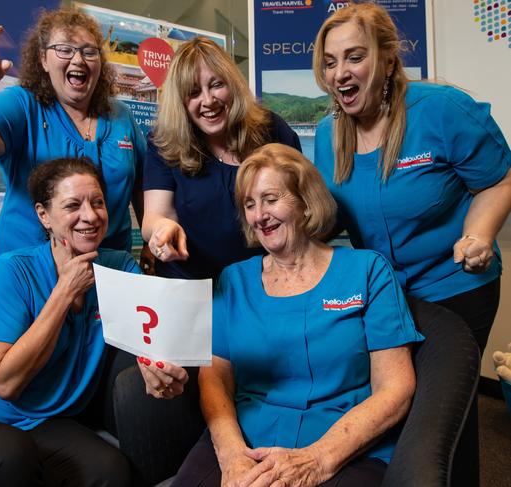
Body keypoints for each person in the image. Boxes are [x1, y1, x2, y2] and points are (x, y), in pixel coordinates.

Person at [0, 157, 187, 487]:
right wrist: (64, 292)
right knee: (8, 457)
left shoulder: (119, 266)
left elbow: (147, 335)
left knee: (110, 472)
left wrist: (154, 367)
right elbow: (5, 384)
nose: (90, 216)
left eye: (98, 203)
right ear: (43, 215)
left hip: (37, 418)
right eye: (72, 205)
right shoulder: (12, 270)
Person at [172, 144, 423, 487]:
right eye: (249, 204)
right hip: (247, 438)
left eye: (270, 199)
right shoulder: (234, 280)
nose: (259, 214)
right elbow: (214, 377)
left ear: (305, 201)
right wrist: (231, 454)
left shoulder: (368, 270)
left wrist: (318, 459)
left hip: (342, 444)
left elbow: (395, 388)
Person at [312, 2, 511, 356]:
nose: (339, 73)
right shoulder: (329, 135)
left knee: (447, 401)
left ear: (388, 62)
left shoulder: (442, 109)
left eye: (354, 57)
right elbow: (334, 216)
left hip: (455, 288)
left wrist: (478, 235)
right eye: (330, 62)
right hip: (384, 296)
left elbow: (498, 181)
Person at [0, 8, 145, 257]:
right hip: (33, 270)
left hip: (110, 268)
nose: (78, 60)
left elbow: (143, 184)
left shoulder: (121, 115)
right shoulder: (23, 105)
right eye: (64, 49)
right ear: (43, 60)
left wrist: (151, 241)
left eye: (89, 51)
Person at [142, 36, 302, 279]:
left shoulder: (271, 129)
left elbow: (302, 203)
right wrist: (162, 228)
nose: (208, 101)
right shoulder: (164, 143)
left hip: (266, 282)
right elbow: (154, 217)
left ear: (232, 83)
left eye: (216, 85)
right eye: (193, 93)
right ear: (181, 103)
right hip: (190, 286)